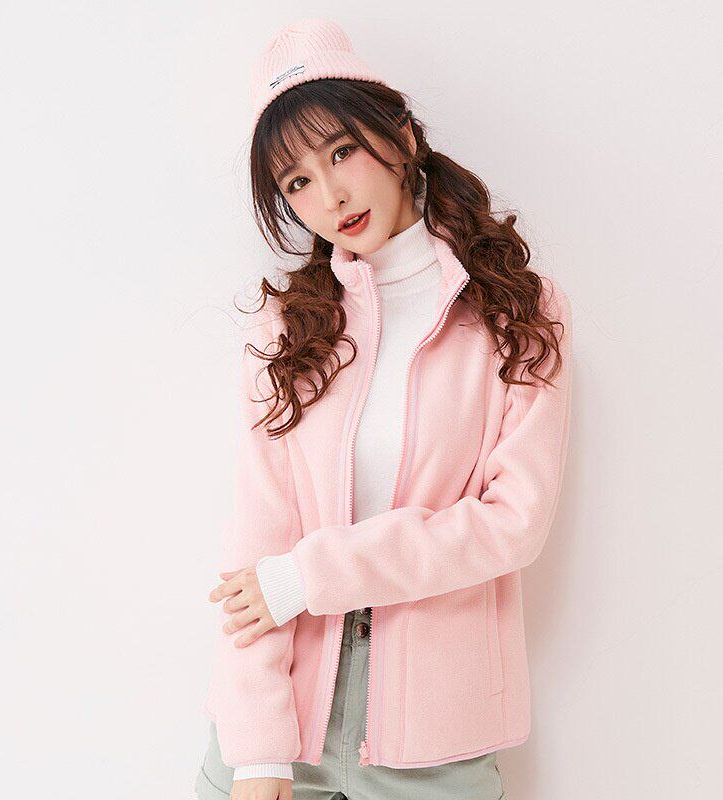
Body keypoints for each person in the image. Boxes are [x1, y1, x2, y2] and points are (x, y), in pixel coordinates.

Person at [194, 17, 573, 800]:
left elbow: (513, 522)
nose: (330, 195)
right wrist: (258, 754)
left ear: (399, 136)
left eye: (342, 152)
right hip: (282, 722)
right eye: (298, 182)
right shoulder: (287, 331)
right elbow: (256, 547)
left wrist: (311, 575)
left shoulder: (518, 310)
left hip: (437, 740)